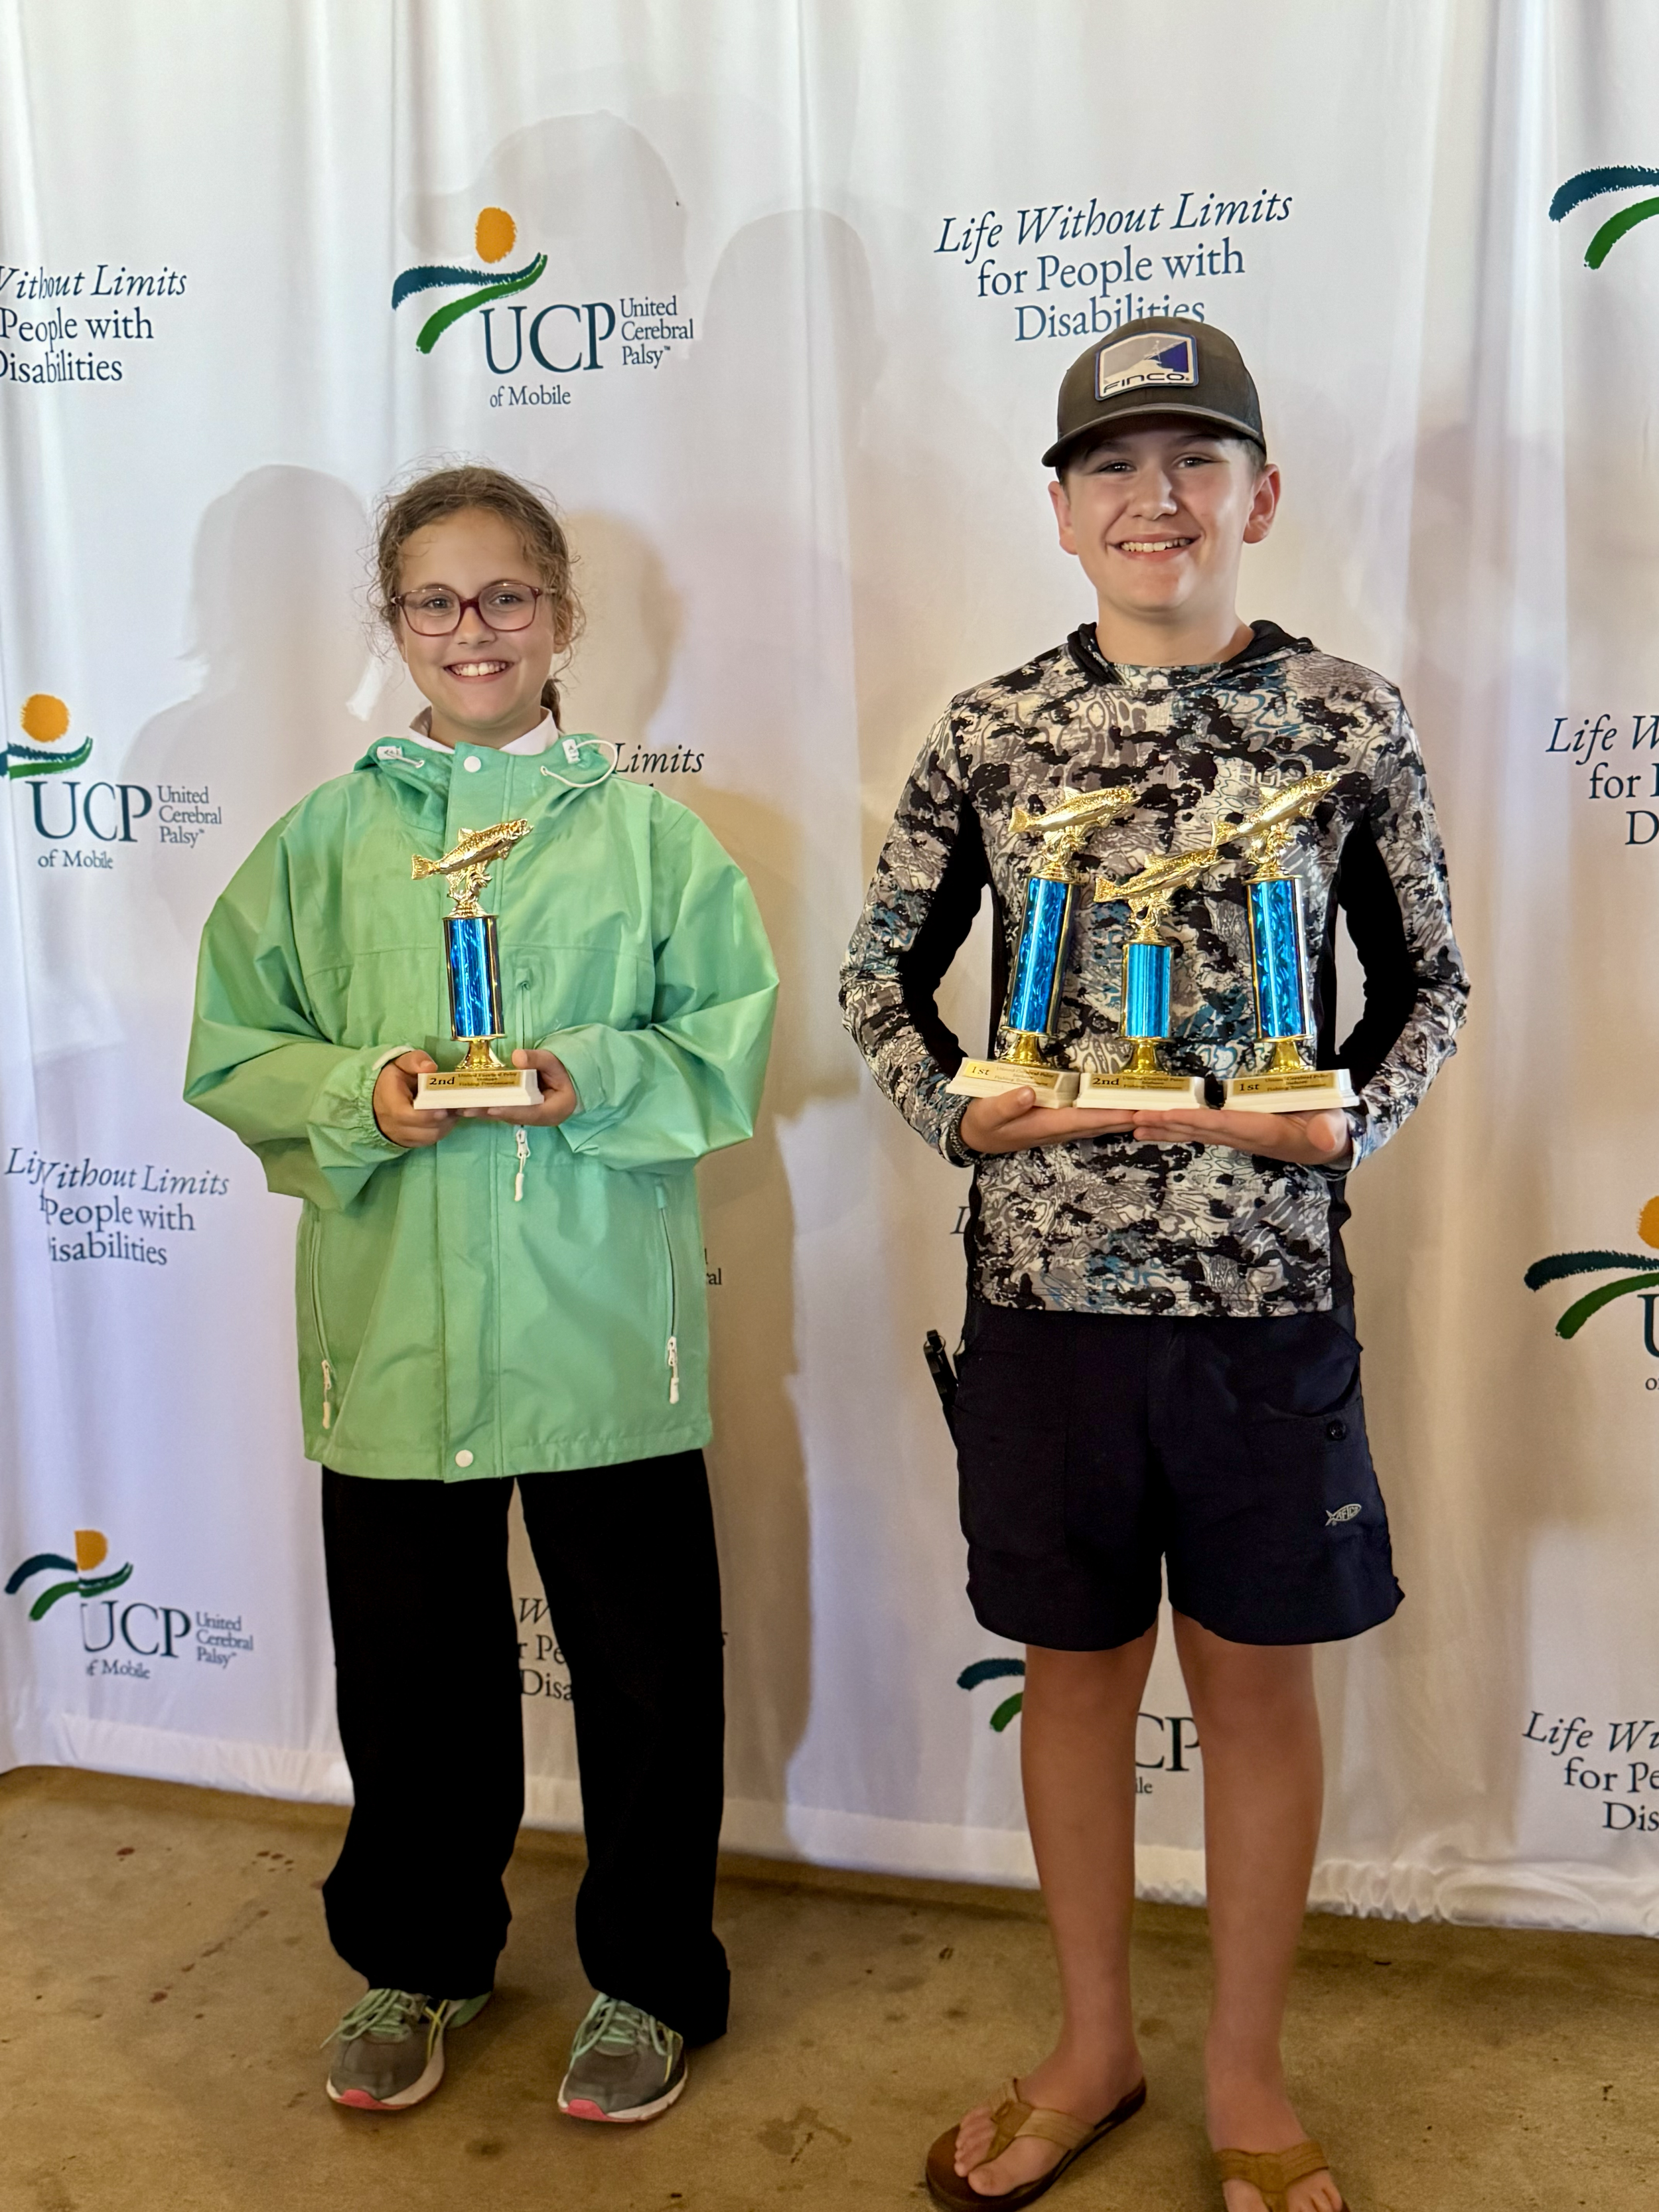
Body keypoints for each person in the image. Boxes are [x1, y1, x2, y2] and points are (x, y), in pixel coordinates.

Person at [841, 319, 1468, 2212]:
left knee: (1258, 1686)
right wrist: (956, 1110)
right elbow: (880, 978)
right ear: (1058, 509)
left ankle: (1247, 2071)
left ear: (1257, 494)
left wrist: (1349, 1112)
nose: (1155, 497)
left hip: (1262, 1303)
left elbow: (1427, 981)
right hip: (1046, 1306)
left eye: (1195, 461)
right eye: (1113, 465)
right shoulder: (988, 730)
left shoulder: (1347, 720)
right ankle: (1092, 2042)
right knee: (1075, 1669)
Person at [185, 465, 776, 2122]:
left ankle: (649, 1980)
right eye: (436, 601)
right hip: (392, 1334)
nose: (473, 629)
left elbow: (722, 1044)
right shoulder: (325, 839)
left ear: (562, 617)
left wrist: (580, 1072)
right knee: (409, 1673)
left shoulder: (654, 838)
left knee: (647, 1680)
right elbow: (237, 1044)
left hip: (601, 1331)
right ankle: (420, 1955)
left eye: (505, 596)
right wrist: (360, 1093)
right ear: (392, 627)